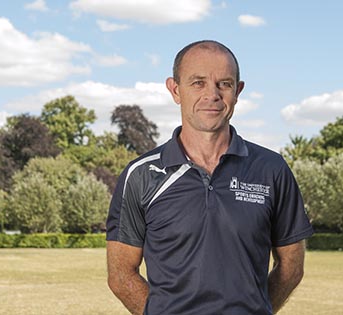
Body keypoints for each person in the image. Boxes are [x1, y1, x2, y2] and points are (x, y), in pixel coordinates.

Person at [106, 40, 313, 315]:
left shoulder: (272, 169)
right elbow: (120, 274)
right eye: (198, 83)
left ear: (237, 91)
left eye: (224, 84)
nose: (212, 94)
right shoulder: (141, 175)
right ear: (175, 89)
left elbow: (291, 267)